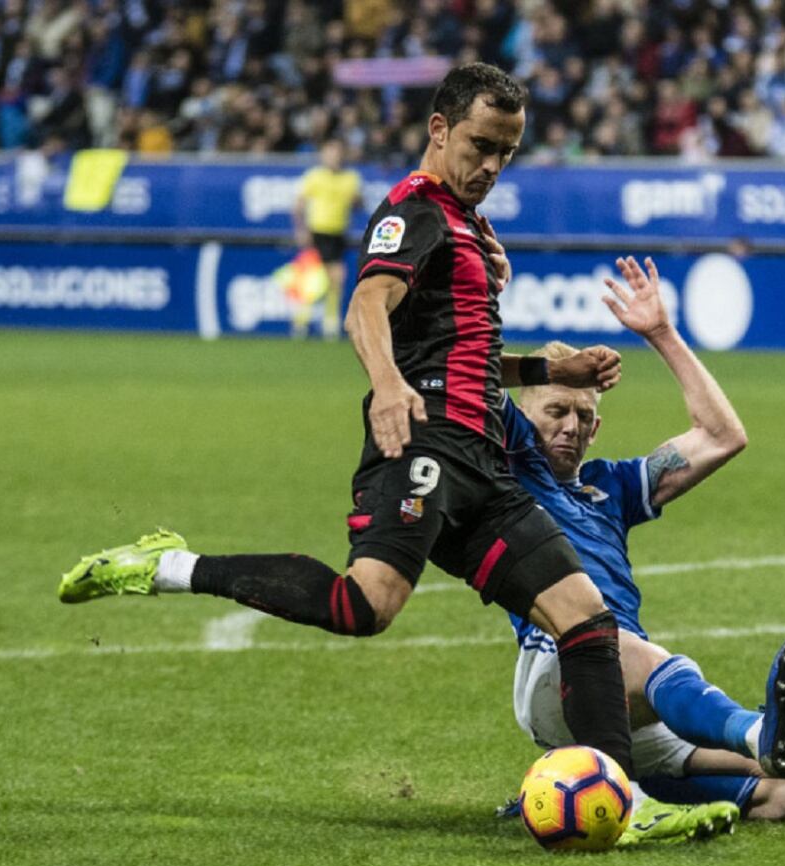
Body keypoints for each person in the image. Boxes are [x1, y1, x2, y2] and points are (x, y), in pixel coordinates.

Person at [58, 63, 639, 782]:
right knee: (363, 604)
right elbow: (365, 306)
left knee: (586, 619)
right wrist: (388, 386)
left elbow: (465, 356)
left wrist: (552, 371)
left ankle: (619, 797)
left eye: (505, 153)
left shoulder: (467, 222)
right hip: (423, 442)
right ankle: (171, 565)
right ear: (439, 128)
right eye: (480, 144)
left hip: (483, 462)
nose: (489, 165)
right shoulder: (417, 210)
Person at [502, 256, 785, 822]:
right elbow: (454, 372)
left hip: (631, 694)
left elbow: (723, 436)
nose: (570, 426)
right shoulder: (506, 473)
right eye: (555, 411)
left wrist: (661, 333)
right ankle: (755, 730)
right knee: (615, 640)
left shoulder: (614, 486)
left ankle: (632, 802)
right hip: (559, 667)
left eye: (583, 415)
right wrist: (540, 371)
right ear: (522, 416)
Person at [291, 136, 364, 339]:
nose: (334, 157)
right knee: (312, 279)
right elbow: (298, 205)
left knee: (337, 278)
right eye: (330, 153)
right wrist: (301, 230)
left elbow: (359, 204)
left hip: (338, 233)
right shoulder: (314, 176)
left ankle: (330, 323)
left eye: (337, 153)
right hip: (317, 231)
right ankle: (301, 322)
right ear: (323, 155)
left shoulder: (350, 178)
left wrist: (357, 199)